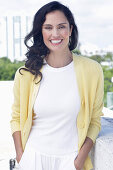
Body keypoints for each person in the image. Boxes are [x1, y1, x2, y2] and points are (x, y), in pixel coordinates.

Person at [10, 1, 104, 170]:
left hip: (71, 160)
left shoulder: (92, 70)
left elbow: (95, 121)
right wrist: (21, 156)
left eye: (61, 27)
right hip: (33, 158)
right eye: (48, 27)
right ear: (41, 31)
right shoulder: (26, 73)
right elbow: (16, 117)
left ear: (70, 30)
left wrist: (79, 160)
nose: (55, 34)